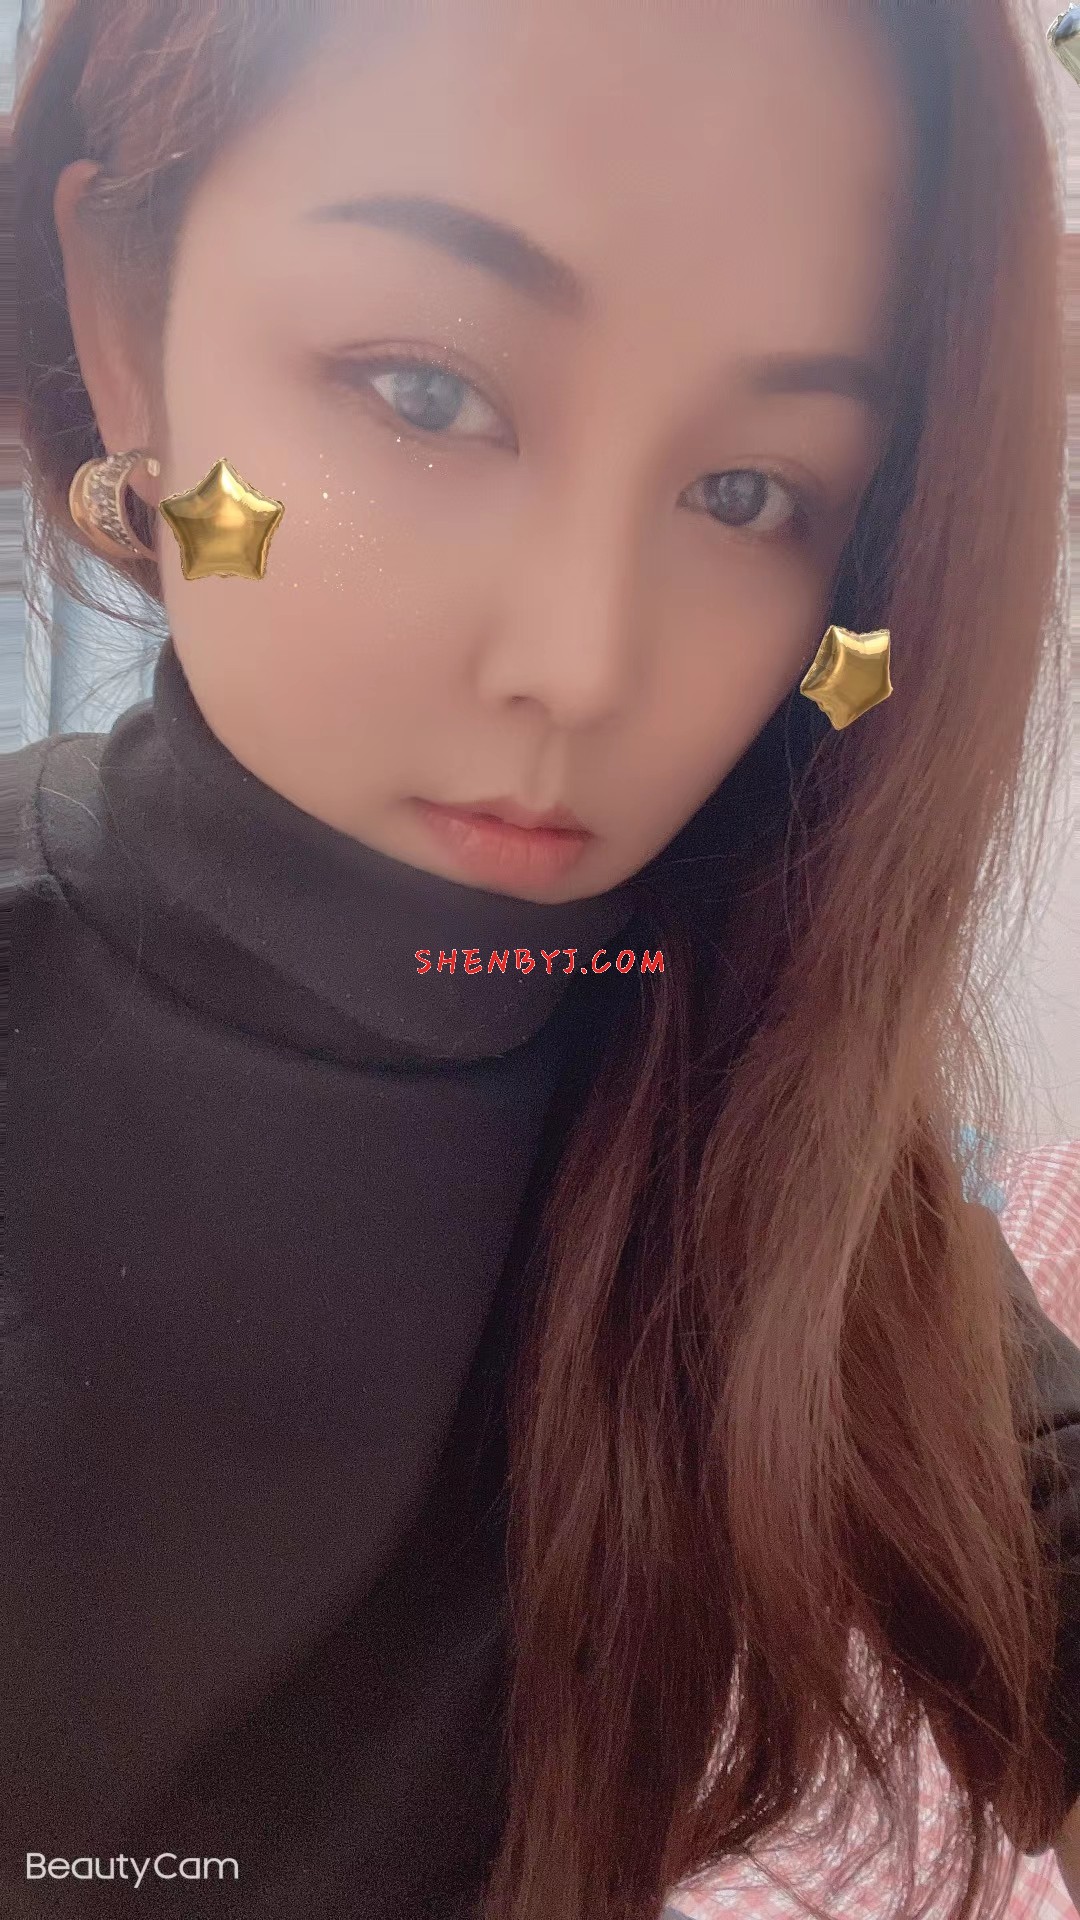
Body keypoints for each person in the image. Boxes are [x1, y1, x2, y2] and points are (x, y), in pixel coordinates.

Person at [8, 0, 1080, 1915]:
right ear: (122, 323)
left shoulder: (722, 1056)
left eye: (748, 494)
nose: (583, 662)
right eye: (427, 391)